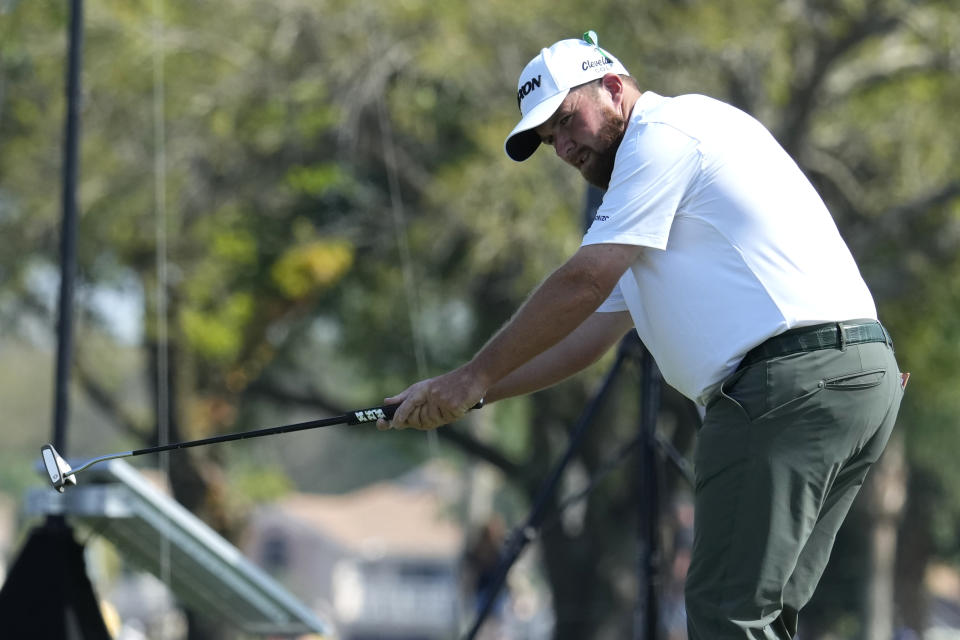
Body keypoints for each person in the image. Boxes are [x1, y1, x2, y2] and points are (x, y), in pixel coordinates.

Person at [376, 31, 905, 638]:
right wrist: (468, 394)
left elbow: (584, 281)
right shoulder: (656, 185)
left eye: (567, 121)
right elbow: (586, 338)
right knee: (762, 613)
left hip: (786, 387)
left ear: (612, 86)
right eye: (551, 140)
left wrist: (470, 374)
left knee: (726, 614)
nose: (564, 147)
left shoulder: (661, 136)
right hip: (850, 379)